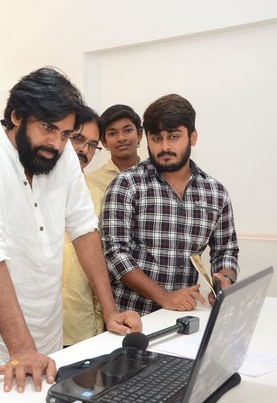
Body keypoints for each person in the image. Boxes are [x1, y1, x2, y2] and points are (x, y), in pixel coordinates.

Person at [0, 67, 142, 395]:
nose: (56, 144)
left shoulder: (62, 159)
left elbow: (84, 231)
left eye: (65, 134)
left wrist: (110, 310)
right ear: (16, 116)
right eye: (48, 128)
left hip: (48, 333)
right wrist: (21, 348)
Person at [102, 94, 239, 316]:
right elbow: (115, 252)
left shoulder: (215, 193)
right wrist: (164, 296)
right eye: (156, 138)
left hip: (185, 315)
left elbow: (226, 250)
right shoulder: (126, 184)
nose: (164, 146)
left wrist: (225, 279)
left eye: (174, 137)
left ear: (193, 137)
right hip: (133, 318)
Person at [61, 106, 106, 346]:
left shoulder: (97, 196)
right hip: (33, 329)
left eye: (92, 145)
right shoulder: (31, 187)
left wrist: (99, 325)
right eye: (78, 139)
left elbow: (99, 259)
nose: (84, 150)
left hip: (81, 330)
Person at [86, 104, 142, 193]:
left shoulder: (154, 175)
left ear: (139, 135)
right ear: (104, 142)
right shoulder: (91, 182)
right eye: (112, 133)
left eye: (128, 130)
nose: (121, 138)